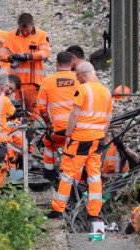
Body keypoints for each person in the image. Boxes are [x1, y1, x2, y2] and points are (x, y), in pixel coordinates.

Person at [50, 62, 113, 220]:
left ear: (84, 74)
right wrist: (101, 134)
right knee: (94, 176)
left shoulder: (83, 89)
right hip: (97, 139)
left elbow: (74, 114)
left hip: (80, 139)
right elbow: (108, 117)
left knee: (68, 173)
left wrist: (68, 134)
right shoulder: (106, 91)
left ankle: (58, 209)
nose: (77, 80)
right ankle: (94, 213)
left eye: (77, 76)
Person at [0, 13, 51, 121]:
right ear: (18, 25)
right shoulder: (11, 35)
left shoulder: (41, 35)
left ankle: (31, 136)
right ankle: (14, 137)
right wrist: (11, 58)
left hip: (32, 84)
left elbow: (45, 53)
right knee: (13, 114)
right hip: (13, 84)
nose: (24, 33)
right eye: (22, 30)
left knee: (32, 115)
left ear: (33, 24)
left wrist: (27, 56)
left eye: (27, 30)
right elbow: (1, 55)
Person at [37, 51, 79, 181]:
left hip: (59, 129)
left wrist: (48, 121)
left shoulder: (48, 81)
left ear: (56, 64)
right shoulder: (79, 79)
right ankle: (76, 176)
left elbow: (41, 108)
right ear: (72, 64)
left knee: (49, 143)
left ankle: (49, 173)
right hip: (78, 129)